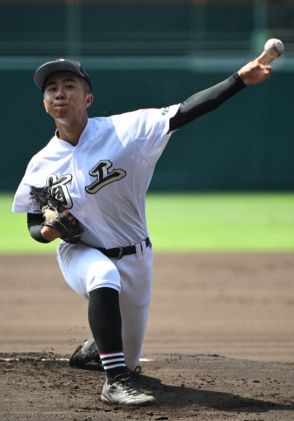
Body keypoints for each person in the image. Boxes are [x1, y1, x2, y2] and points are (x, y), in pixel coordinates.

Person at [12, 55, 272, 405]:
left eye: (69, 86)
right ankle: (115, 383)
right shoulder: (41, 164)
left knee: (131, 357)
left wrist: (239, 79)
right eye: (52, 89)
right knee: (103, 276)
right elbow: (33, 221)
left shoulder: (126, 131)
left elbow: (187, 110)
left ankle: (96, 349)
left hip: (135, 254)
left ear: (87, 99)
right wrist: (48, 233)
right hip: (80, 252)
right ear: (45, 105)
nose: (60, 93)